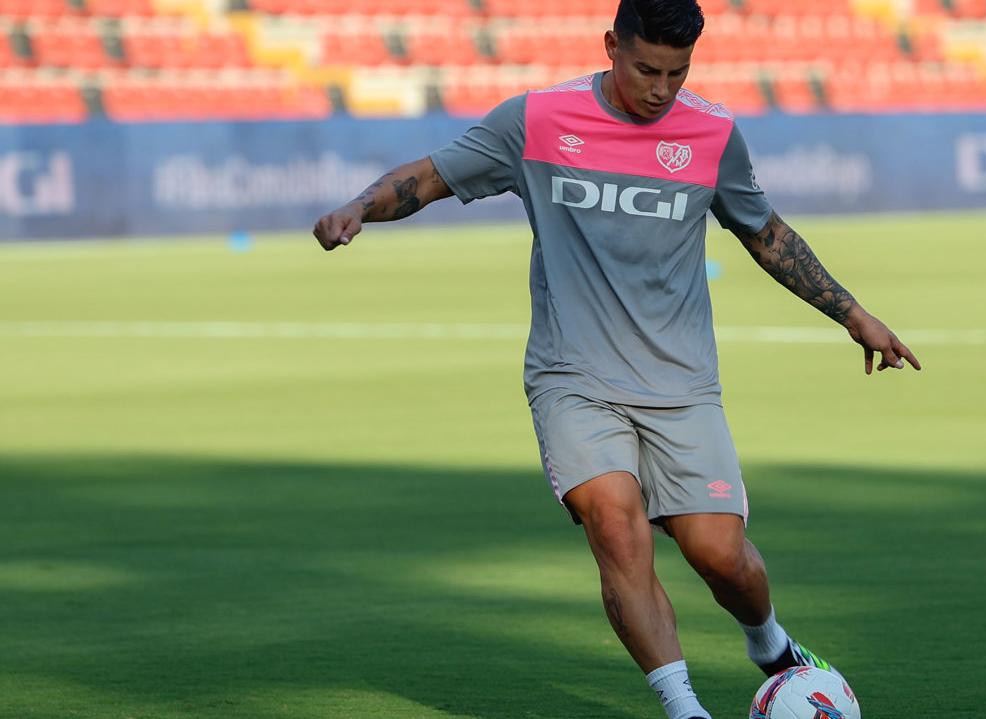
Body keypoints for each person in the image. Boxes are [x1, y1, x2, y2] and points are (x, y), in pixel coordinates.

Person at [313, 1, 921, 716]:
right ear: (611, 47)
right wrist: (360, 206)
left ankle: (771, 647)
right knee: (615, 522)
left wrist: (853, 315)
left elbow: (767, 235)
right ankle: (685, 707)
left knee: (718, 554)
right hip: (573, 376)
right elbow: (430, 176)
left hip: (681, 381)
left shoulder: (714, 133)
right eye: (646, 69)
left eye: (677, 72)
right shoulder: (537, 121)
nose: (661, 88)